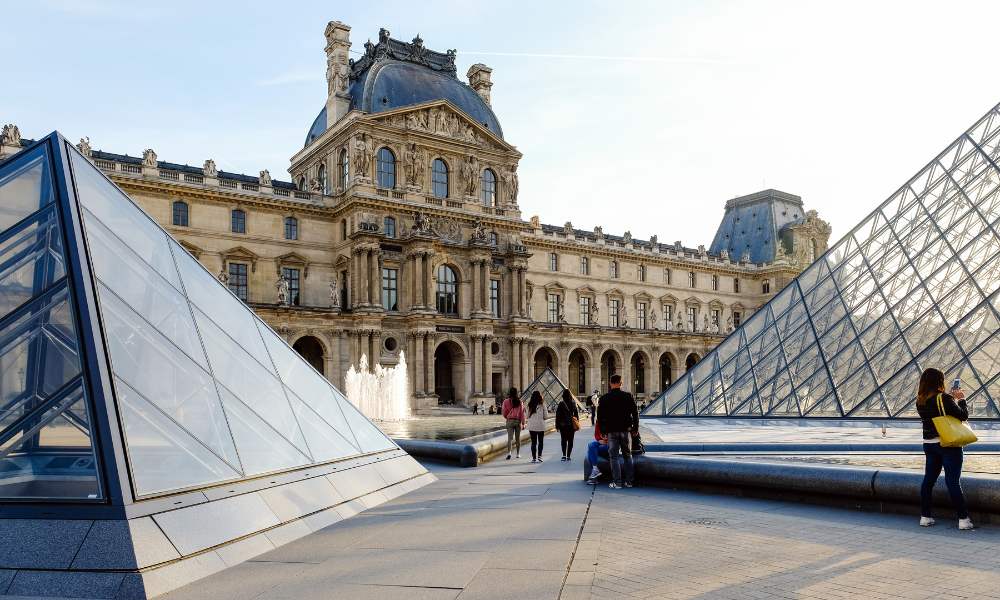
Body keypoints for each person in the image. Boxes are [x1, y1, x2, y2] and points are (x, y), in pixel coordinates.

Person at [915, 368, 973, 530]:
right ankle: (963, 519)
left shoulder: (920, 400)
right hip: (947, 444)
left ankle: (925, 517)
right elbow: (963, 416)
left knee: (928, 481)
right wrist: (961, 399)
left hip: (929, 444)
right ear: (940, 381)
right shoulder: (944, 398)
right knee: (952, 481)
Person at [596, 374, 637, 489]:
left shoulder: (604, 398)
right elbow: (635, 413)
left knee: (613, 457)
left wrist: (603, 432)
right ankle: (629, 482)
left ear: (610, 384)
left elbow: (600, 417)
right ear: (620, 383)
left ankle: (617, 482)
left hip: (611, 432)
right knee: (627, 456)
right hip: (625, 430)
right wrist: (635, 428)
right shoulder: (628, 396)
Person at [501, 388, 526, 460]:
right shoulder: (520, 401)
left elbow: (504, 412)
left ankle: (509, 453)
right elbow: (522, 413)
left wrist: (507, 417)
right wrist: (523, 423)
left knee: (510, 438)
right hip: (517, 421)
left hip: (509, 421)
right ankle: (518, 454)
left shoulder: (505, 401)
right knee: (518, 438)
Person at [555, 389, 580, 461]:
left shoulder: (561, 403)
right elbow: (576, 414)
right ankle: (568, 456)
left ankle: (564, 455)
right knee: (570, 440)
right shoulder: (573, 403)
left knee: (563, 440)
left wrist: (557, 426)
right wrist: (576, 422)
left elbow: (558, 416)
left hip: (563, 425)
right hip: (571, 425)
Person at [526, 391, 548, 463]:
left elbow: (527, 416)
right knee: (540, 442)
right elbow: (546, 416)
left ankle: (534, 458)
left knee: (533, 442)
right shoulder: (542, 405)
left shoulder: (530, 405)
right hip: (540, 426)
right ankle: (540, 456)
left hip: (532, 426)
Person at [586, 420, 610, 485]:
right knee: (591, 445)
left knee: (591, 451)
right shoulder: (599, 421)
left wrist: (607, 440)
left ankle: (594, 478)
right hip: (601, 442)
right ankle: (595, 469)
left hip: (611, 443)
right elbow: (596, 434)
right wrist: (600, 440)